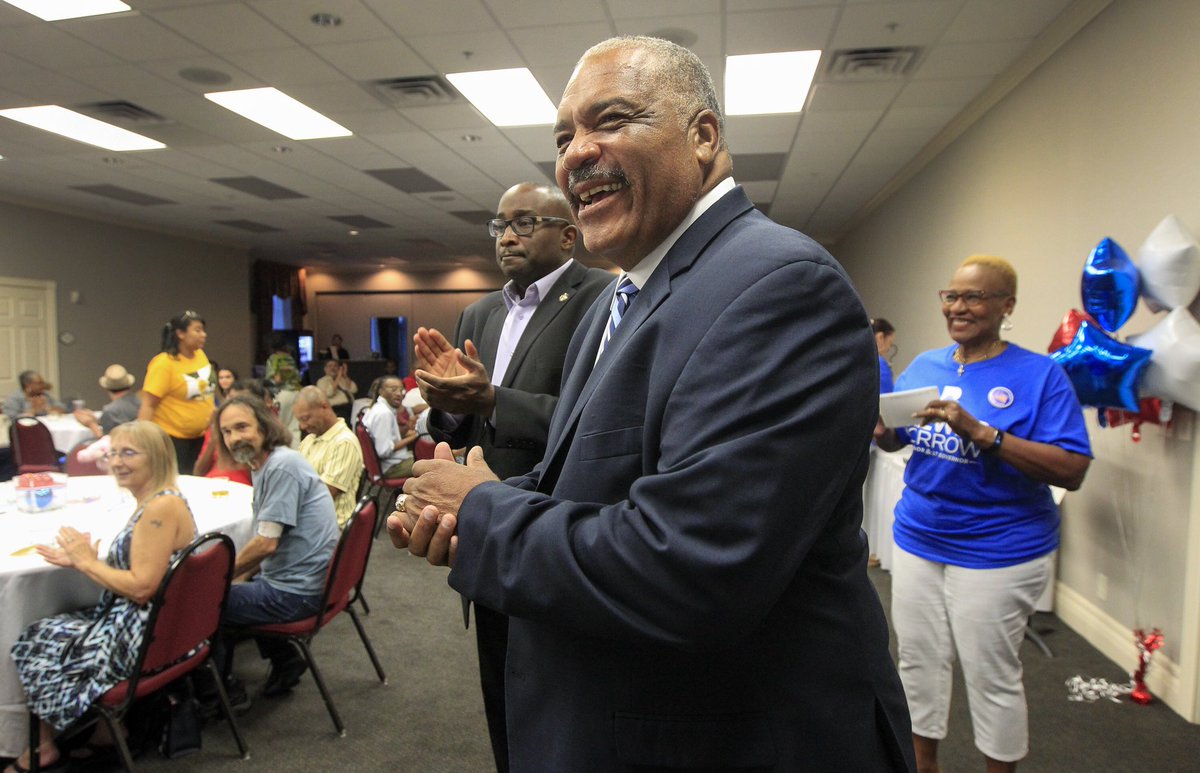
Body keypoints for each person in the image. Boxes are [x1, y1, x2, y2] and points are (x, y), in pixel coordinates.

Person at [391, 36, 915, 772]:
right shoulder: (624, 298)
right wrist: (464, 501)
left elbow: (693, 567)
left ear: (703, 136)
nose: (576, 153)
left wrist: (481, 511)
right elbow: (587, 481)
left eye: (611, 120)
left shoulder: (777, 284)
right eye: (564, 138)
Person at [412, 180, 610, 771]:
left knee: (561, 698)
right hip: (480, 524)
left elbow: (595, 420)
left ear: (568, 236)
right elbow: (462, 423)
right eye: (499, 225)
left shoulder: (602, 299)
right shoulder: (480, 312)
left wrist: (494, 398)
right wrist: (448, 404)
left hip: (557, 526)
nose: (506, 237)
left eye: (524, 223)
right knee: (499, 684)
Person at [874, 255, 1091, 773]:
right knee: (918, 662)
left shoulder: (1040, 375)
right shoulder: (926, 365)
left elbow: (1072, 469)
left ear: (1006, 306)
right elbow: (898, 440)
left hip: (999, 547)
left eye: (973, 297)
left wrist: (983, 433)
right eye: (951, 296)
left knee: (990, 673)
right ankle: (923, 765)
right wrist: (883, 430)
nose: (958, 307)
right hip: (920, 538)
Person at [7, 421, 196, 772]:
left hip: (144, 638)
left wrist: (87, 563)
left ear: (156, 457)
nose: (117, 462)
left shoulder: (159, 508)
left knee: (34, 637)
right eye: (113, 453)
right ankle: (105, 731)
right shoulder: (161, 499)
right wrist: (85, 563)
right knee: (58, 622)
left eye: (129, 453)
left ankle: (42, 747)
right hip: (163, 626)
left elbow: (142, 587)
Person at [213, 396, 339, 699]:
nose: (234, 438)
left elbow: (266, 543)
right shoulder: (269, 463)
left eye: (242, 427)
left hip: (296, 593)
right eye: (227, 432)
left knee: (205, 604)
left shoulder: (280, 466)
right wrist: (237, 576)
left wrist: (218, 579)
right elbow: (272, 542)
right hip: (305, 581)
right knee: (236, 584)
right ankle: (286, 660)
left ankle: (217, 694)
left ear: (263, 426)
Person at [138, 310, 214, 475]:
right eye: (197, 330)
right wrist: (143, 441)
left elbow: (206, 393)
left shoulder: (200, 355)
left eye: (203, 330)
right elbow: (148, 404)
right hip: (173, 440)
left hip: (201, 436)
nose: (204, 335)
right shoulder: (164, 363)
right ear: (180, 334)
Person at [294, 386, 363, 528]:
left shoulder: (344, 442)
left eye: (306, 418)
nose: (302, 426)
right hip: (307, 518)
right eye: (299, 421)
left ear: (324, 407)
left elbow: (324, 494)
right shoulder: (309, 439)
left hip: (329, 526)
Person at [361, 375, 417, 479]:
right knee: (431, 463)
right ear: (381, 391)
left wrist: (407, 433)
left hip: (387, 464)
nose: (399, 393)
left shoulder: (377, 408)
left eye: (401, 390)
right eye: (393, 389)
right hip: (391, 467)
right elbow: (384, 451)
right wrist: (414, 437)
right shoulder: (384, 414)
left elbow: (388, 437)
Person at [74, 364, 142, 440]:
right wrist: (97, 420)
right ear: (129, 385)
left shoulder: (110, 410)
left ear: (106, 387)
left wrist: (91, 424)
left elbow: (106, 441)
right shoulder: (140, 402)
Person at [874, 317, 897, 394]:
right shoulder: (879, 364)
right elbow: (888, 397)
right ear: (880, 337)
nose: (889, 348)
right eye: (890, 343)